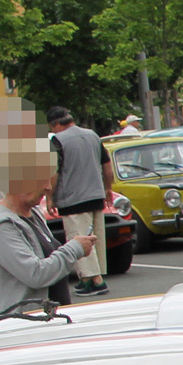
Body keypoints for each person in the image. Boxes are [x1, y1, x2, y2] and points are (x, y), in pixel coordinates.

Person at [0, 145, 94, 314]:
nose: (48, 188)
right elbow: (36, 274)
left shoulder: (32, 214)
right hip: (19, 328)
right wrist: (75, 248)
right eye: (43, 179)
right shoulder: (1, 226)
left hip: (41, 323)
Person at [47, 107, 113, 297]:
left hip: (73, 198)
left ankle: (96, 280)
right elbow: (106, 165)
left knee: (79, 237)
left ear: (55, 124)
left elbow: (55, 171)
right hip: (96, 194)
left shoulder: (58, 140)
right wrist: (107, 188)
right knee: (95, 238)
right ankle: (88, 278)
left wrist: (50, 196)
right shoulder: (92, 135)